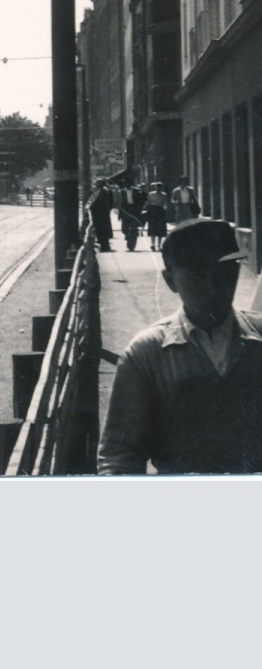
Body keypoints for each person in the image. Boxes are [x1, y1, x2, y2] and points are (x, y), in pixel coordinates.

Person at [99, 218, 262, 474]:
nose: (212, 286)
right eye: (198, 274)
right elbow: (119, 457)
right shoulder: (146, 354)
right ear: (170, 281)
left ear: (238, 271)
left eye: (224, 272)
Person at [87, 178, 114, 251]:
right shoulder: (102, 190)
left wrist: (90, 207)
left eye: (96, 184)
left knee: (101, 230)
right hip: (102, 213)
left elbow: (95, 202)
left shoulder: (102, 191)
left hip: (100, 214)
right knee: (102, 230)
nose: (95, 186)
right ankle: (105, 245)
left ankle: (104, 246)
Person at [144, 182, 169, 250]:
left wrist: (166, 211)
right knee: (152, 229)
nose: (158, 188)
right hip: (152, 212)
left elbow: (166, 204)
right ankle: (152, 244)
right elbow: (148, 202)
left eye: (160, 187)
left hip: (160, 212)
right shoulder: (151, 194)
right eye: (157, 187)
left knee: (160, 230)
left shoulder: (164, 195)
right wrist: (143, 208)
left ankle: (159, 245)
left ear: (162, 188)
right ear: (155, 187)